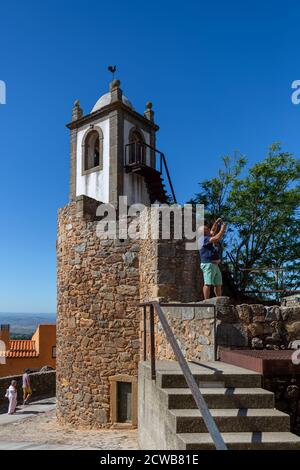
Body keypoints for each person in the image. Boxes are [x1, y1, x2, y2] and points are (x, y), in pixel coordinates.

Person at [199, 218, 226, 299]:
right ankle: (206, 301)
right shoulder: (203, 239)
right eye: (207, 229)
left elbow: (213, 230)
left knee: (218, 284)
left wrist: (216, 222)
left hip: (214, 265)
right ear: (204, 232)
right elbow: (217, 238)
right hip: (208, 264)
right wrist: (222, 229)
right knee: (207, 283)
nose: (209, 229)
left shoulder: (206, 236)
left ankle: (219, 301)